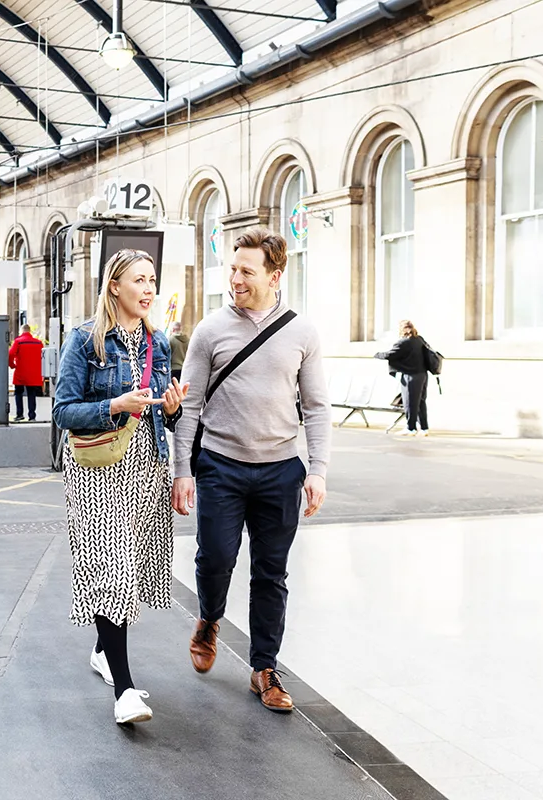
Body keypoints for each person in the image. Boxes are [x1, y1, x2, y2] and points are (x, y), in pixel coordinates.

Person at [172, 227, 331, 714]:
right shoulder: (210, 329)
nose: (235, 279)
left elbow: (318, 407)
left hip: (280, 469)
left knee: (271, 573)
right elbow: (190, 406)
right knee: (216, 558)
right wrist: (183, 469)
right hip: (220, 466)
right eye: (232, 269)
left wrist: (318, 469)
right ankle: (209, 618)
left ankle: (264, 667)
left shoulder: (302, 332)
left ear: (275, 275)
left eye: (246, 271)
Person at [53, 249, 190, 726]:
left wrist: (170, 407)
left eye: (153, 279)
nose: (149, 288)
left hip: (144, 468)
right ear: (115, 286)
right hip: (97, 471)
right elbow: (62, 411)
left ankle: (101, 650)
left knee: (128, 568)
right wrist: (114, 404)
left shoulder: (160, 342)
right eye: (139, 280)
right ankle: (126, 691)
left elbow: (165, 415)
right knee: (112, 569)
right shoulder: (86, 341)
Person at [376, 319, 431, 437]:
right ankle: (424, 428)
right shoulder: (419, 340)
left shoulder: (403, 342)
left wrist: (377, 354)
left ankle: (411, 428)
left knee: (410, 402)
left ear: (402, 329)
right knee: (421, 402)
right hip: (423, 375)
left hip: (410, 376)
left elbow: (391, 354)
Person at [8, 324, 44, 422]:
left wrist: (12, 365)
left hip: (21, 371)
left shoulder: (18, 342)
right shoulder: (38, 343)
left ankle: (20, 414)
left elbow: (10, 353)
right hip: (34, 373)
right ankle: (32, 416)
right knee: (31, 393)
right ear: (29, 331)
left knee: (18, 393)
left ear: (21, 331)